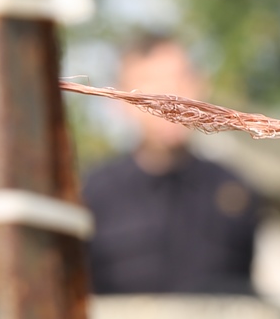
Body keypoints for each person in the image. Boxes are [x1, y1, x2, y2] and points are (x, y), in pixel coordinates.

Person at [84, 33, 259, 295]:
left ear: (201, 86)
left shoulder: (233, 190)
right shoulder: (93, 195)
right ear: (120, 100)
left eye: (180, 80)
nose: (171, 99)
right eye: (151, 85)